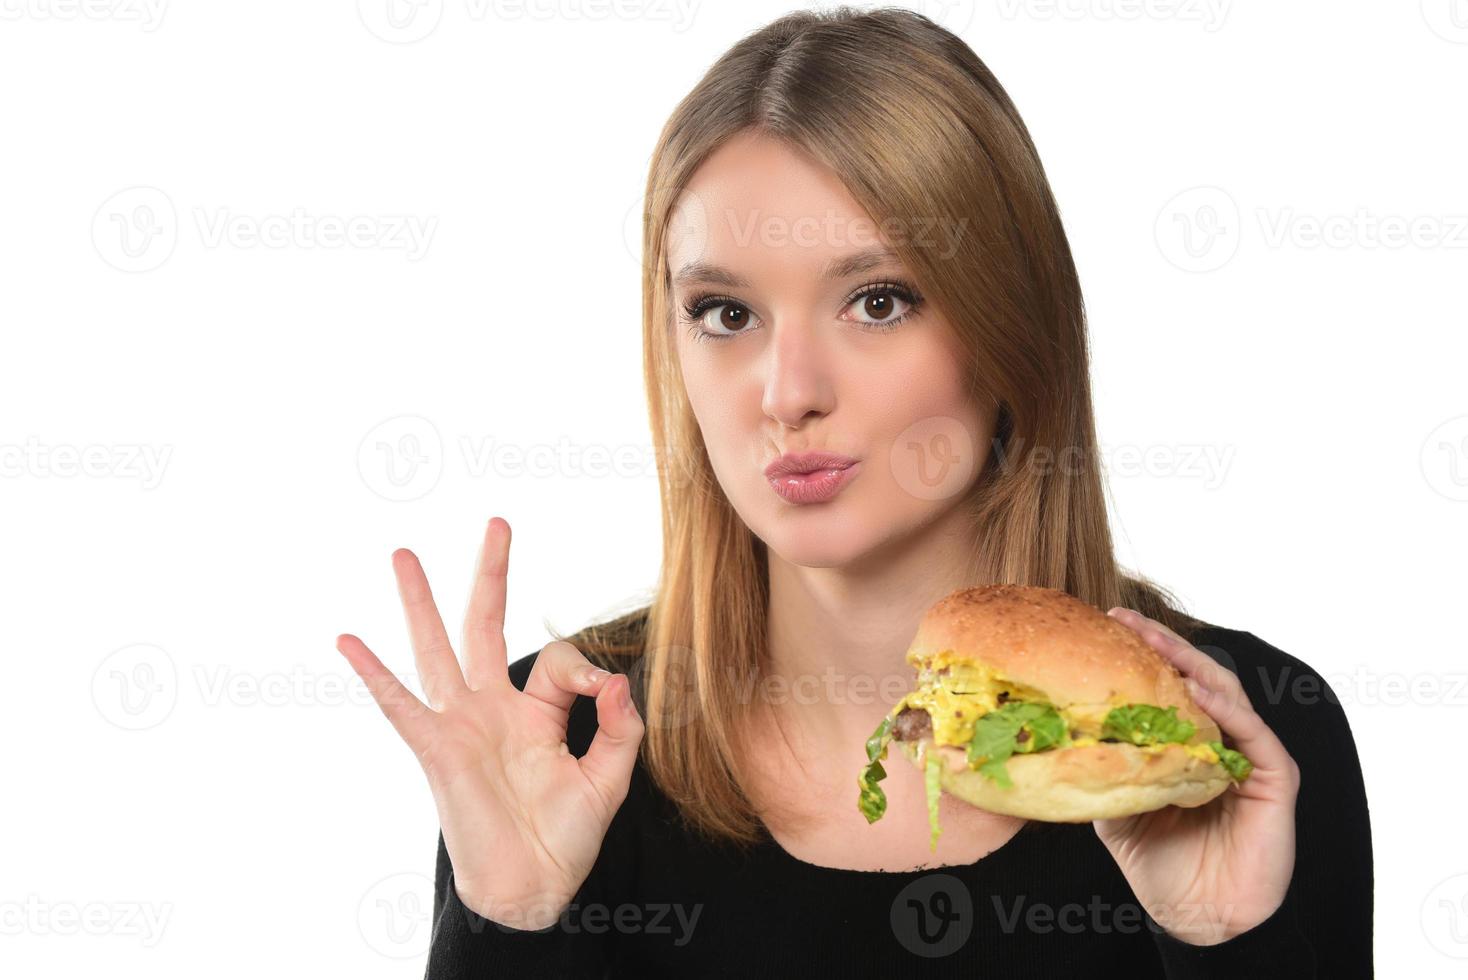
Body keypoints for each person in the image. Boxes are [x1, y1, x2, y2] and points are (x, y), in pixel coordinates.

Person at [336, 7, 1372, 976]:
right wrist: (511, 928)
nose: (788, 394)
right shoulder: (555, 745)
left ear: (1010, 325)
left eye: (877, 301)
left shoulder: (1236, 743)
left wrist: (1232, 944)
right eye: (724, 313)